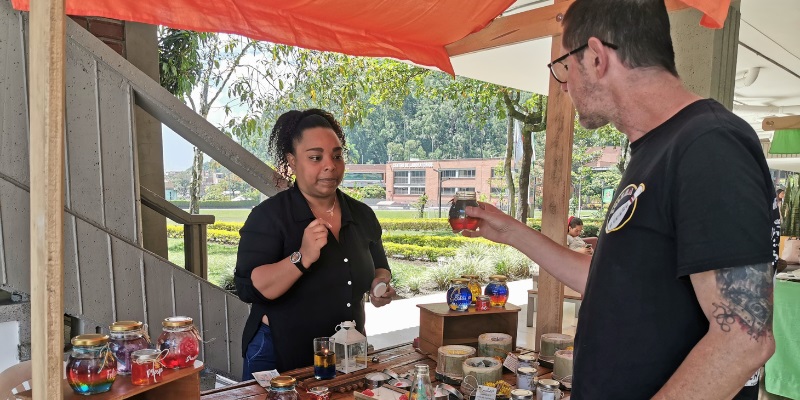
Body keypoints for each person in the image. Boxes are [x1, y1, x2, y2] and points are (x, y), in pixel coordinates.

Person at [462, 0, 778, 398]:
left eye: (564, 65)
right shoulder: (655, 151)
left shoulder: (708, 145)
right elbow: (610, 280)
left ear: (596, 57)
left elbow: (745, 339)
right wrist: (511, 232)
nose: (563, 83)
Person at [234, 109, 395, 379]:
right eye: (315, 157)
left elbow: (381, 267)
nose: (330, 165)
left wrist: (380, 287)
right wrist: (302, 256)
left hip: (347, 352)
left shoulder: (361, 214)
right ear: (293, 161)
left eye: (337, 155)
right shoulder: (269, 217)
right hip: (278, 352)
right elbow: (250, 287)